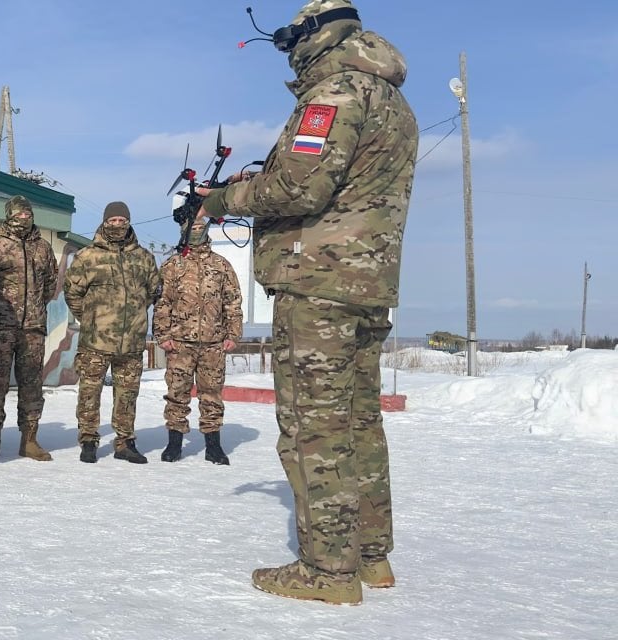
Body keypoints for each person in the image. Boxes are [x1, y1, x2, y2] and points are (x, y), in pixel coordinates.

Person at [198, 0, 418, 604]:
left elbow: (299, 184)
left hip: (318, 284)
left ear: (315, 35)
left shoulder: (336, 93)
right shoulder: (391, 98)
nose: (289, 48)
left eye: (292, 37)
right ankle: (371, 557)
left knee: (313, 430)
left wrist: (220, 199)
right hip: (366, 285)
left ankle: (328, 571)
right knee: (359, 421)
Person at [63, 202, 160, 464]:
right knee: (90, 392)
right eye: (113, 220)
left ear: (128, 222)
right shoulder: (88, 256)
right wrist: (91, 318)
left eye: (122, 220)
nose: (117, 225)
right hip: (96, 340)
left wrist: (135, 317)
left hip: (131, 342)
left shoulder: (144, 258)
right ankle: (88, 439)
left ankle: (125, 442)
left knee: (128, 394)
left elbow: (152, 292)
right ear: (105, 222)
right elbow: (72, 292)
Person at [152, 219, 243, 465]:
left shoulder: (221, 265)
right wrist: (163, 334)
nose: (196, 232)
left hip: (213, 343)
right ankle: (174, 443)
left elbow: (232, 301)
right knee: (177, 393)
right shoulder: (173, 265)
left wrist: (233, 334)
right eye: (191, 228)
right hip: (180, 343)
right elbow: (162, 303)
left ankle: (213, 446)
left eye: (199, 228)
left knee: (211, 393)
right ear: (183, 231)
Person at [0, 195, 59, 461]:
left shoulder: (43, 248)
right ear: (8, 215)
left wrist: (35, 307)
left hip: (33, 328)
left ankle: (30, 439)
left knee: (32, 384)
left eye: (27, 214)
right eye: (18, 214)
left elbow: (50, 284)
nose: (24, 218)